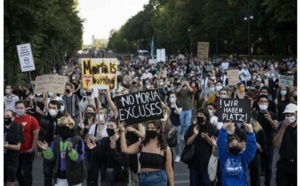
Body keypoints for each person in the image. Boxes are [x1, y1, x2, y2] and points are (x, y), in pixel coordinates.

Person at [119, 120, 174, 186]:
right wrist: (122, 132)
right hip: (143, 178)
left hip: (158, 179)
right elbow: (125, 150)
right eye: (148, 128)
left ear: (158, 130)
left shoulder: (165, 148)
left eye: (152, 128)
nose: (150, 130)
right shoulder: (142, 144)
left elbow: (169, 169)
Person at [38, 115, 87, 186]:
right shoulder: (56, 139)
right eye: (60, 125)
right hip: (60, 175)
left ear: (71, 125)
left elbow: (80, 158)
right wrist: (46, 150)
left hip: (74, 175)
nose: (62, 127)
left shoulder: (77, 139)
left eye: (64, 124)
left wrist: (71, 151)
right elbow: (52, 157)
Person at [217, 121, 257, 186]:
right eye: (232, 145)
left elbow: (251, 148)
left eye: (236, 144)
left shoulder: (244, 158)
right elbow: (221, 143)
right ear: (228, 146)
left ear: (240, 146)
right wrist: (224, 128)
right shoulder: (224, 156)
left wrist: (250, 130)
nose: (234, 146)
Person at [184, 108, 216, 186]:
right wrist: (195, 134)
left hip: (207, 162)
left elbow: (215, 145)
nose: (199, 116)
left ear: (206, 116)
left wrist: (206, 137)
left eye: (201, 115)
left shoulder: (211, 128)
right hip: (194, 162)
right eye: (197, 115)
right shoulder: (193, 127)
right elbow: (187, 142)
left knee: (207, 183)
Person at [37, 100, 65, 186]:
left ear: (58, 109)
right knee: (47, 173)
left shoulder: (63, 119)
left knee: (60, 173)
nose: (51, 109)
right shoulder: (44, 120)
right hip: (47, 147)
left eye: (54, 108)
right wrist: (39, 149)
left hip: (60, 148)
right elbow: (41, 135)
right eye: (50, 108)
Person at [14, 100, 40, 186]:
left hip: (27, 151)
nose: (19, 109)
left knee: (27, 173)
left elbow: (36, 135)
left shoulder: (31, 119)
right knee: (16, 171)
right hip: (15, 151)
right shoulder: (12, 119)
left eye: (21, 108)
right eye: (17, 108)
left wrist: (33, 148)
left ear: (25, 108)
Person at [99, 118, 130, 186]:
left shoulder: (124, 142)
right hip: (106, 174)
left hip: (119, 175)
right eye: (108, 126)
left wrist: (114, 150)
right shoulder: (104, 141)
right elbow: (101, 158)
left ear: (117, 129)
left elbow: (123, 161)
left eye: (111, 126)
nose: (109, 128)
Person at [256, 95, 278, 186]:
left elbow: (276, 127)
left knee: (268, 167)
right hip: (256, 144)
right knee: (256, 167)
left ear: (268, 103)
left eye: (265, 102)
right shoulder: (254, 114)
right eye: (261, 101)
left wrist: (269, 119)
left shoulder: (273, 115)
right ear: (258, 103)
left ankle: (267, 183)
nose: (263, 103)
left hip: (269, 144)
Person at [273, 103, 297, 186]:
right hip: (284, 163)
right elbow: (276, 144)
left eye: (292, 114)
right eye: (287, 114)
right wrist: (283, 128)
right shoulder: (281, 126)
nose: (289, 116)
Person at [242, 112, 266, 186]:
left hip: (255, 156)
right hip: (244, 155)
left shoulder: (260, 131)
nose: (249, 120)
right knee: (243, 176)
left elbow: (262, 149)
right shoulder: (242, 129)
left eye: (251, 118)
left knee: (255, 178)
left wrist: (253, 142)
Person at [4, 110, 24, 186]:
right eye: (4, 116)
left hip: (12, 160)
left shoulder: (18, 127)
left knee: (10, 181)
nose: (5, 118)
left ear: (13, 117)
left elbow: (17, 147)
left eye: (8, 116)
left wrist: (5, 146)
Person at [167, 92, 182, 162]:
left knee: (177, 142)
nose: (171, 98)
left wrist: (174, 104)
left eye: (173, 97)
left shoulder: (179, 105)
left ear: (176, 98)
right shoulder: (167, 106)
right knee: (169, 140)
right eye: (170, 97)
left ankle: (178, 155)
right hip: (169, 126)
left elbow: (179, 112)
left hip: (177, 126)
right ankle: (170, 155)